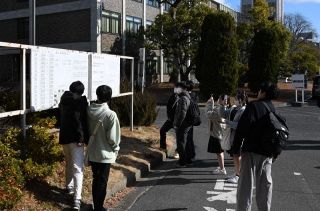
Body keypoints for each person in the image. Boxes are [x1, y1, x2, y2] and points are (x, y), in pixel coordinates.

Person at [231, 82, 278, 211]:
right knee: (265, 186)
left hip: (251, 151)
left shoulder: (254, 106)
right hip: (268, 152)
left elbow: (242, 129)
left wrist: (235, 149)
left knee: (246, 186)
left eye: (259, 91)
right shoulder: (272, 108)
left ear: (263, 92)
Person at [87, 85, 121, 211]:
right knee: (102, 182)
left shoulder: (89, 110)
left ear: (97, 95)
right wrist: (116, 149)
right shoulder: (110, 114)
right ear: (109, 97)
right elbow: (113, 138)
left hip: (92, 151)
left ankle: (96, 205)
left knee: (96, 179)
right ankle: (99, 207)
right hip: (105, 154)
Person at [58, 81, 89, 210]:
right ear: (80, 92)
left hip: (64, 137)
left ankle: (69, 187)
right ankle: (77, 199)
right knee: (78, 168)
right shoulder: (80, 103)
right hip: (76, 139)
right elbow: (80, 121)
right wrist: (83, 138)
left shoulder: (64, 100)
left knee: (69, 162)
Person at [225, 90, 248, 184]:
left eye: (236, 99)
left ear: (241, 100)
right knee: (235, 156)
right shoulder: (238, 108)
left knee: (237, 156)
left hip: (239, 137)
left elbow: (239, 125)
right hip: (235, 136)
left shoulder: (243, 110)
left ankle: (239, 175)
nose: (235, 101)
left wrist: (226, 122)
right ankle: (237, 173)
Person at [206, 94, 228, 175]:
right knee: (219, 152)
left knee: (219, 152)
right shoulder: (224, 108)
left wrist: (209, 103)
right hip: (219, 133)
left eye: (219, 98)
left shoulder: (220, 110)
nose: (218, 99)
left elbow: (209, 114)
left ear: (221, 100)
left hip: (217, 134)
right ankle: (221, 166)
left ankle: (222, 169)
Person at [173, 82, 193, 167]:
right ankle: (186, 160)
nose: (175, 89)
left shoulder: (183, 99)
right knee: (184, 142)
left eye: (176, 87)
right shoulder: (186, 97)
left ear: (181, 88)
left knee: (181, 143)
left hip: (183, 124)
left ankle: (182, 162)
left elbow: (182, 113)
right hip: (186, 124)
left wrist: (177, 124)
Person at [159, 83, 179, 157]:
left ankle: (178, 151)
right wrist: (169, 117)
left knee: (179, 135)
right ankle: (163, 148)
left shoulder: (182, 97)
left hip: (178, 121)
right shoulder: (172, 96)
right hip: (171, 120)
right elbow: (168, 107)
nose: (176, 89)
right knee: (162, 130)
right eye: (175, 87)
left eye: (177, 87)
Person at [185, 80, 199, 160]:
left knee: (186, 137)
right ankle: (192, 154)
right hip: (192, 118)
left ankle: (189, 155)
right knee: (190, 137)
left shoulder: (185, 96)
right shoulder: (195, 95)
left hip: (186, 118)